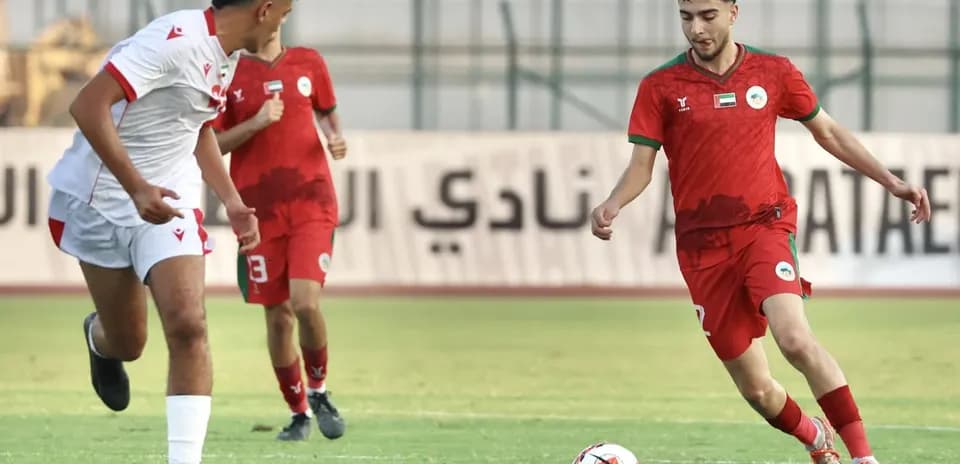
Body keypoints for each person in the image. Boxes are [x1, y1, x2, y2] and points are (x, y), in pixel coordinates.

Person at [590, 1, 932, 463]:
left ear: (734, 12)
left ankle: (864, 458)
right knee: (757, 389)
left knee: (794, 337)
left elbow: (828, 131)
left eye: (708, 15)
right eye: (686, 16)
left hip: (764, 226)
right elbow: (641, 167)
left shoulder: (773, 72)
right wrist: (612, 203)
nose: (696, 28)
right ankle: (814, 436)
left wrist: (892, 181)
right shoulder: (660, 86)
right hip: (702, 249)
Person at [45, 1, 294, 462]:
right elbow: (88, 105)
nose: (285, 23)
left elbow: (193, 124)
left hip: (169, 200)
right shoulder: (172, 41)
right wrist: (136, 187)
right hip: (98, 202)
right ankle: (101, 340)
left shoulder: (228, 54)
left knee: (188, 324)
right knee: (128, 343)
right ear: (264, 10)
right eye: (285, 13)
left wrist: (233, 202)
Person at [212, 29, 347, 441]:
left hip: (311, 202)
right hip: (259, 213)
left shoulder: (308, 61)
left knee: (305, 303)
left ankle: (319, 391)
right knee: (278, 317)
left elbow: (326, 109)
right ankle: (299, 413)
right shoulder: (227, 74)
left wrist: (335, 136)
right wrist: (254, 123)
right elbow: (213, 143)